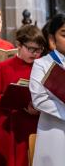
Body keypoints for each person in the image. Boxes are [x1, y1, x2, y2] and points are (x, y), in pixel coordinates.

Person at [0, 25, 46, 166]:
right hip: (11, 125)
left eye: (39, 50)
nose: (35, 54)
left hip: (37, 123)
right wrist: (10, 99)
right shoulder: (3, 67)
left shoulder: (43, 67)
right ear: (19, 45)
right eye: (31, 49)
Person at [30, 14, 65, 165]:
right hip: (53, 130)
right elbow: (39, 100)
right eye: (64, 34)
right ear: (52, 39)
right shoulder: (41, 64)